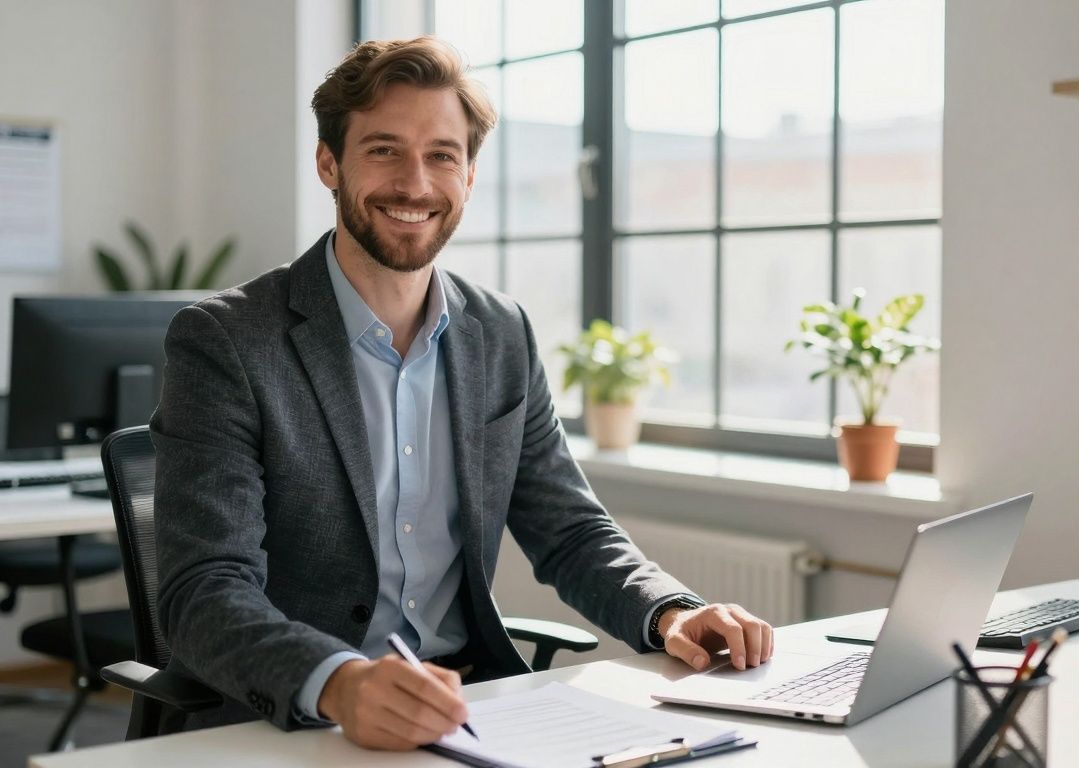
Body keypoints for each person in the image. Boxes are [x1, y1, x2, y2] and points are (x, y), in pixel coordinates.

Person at [150, 36, 774, 750]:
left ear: (469, 176)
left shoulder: (500, 333)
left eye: (442, 155)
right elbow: (204, 591)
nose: (415, 184)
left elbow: (570, 532)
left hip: (474, 709)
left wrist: (671, 612)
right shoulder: (227, 341)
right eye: (384, 149)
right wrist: (338, 679)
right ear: (329, 163)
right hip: (303, 722)